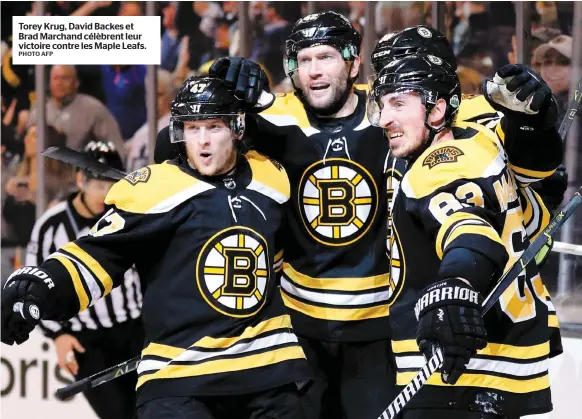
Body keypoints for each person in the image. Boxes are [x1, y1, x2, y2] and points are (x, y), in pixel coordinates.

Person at [1, 75, 311, 419]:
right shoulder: (155, 189)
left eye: (214, 127)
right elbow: (97, 254)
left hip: (268, 371)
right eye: (193, 128)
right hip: (180, 378)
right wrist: (42, 288)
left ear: (238, 128)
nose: (203, 141)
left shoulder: (273, 178)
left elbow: (282, 261)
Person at [209, 12, 396, 419]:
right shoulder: (275, 117)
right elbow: (172, 151)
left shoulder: (391, 115)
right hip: (295, 330)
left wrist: (532, 125)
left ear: (354, 61)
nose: (313, 71)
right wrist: (218, 96)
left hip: (376, 330)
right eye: (304, 59)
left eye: (325, 57)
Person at [369, 53, 560, 419]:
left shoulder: (438, 163)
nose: (385, 118)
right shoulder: (480, 141)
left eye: (398, 103)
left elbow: (470, 231)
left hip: (458, 367)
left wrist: (455, 282)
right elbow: (534, 183)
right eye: (382, 105)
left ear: (437, 109)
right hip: (504, 359)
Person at [28, 140, 143, 419]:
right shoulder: (51, 226)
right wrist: (58, 335)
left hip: (137, 330)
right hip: (87, 341)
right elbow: (35, 286)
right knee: (117, 414)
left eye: (112, 185)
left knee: (152, 409)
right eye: (98, 184)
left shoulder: (130, 215)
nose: (105, 195)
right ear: (80, 180)